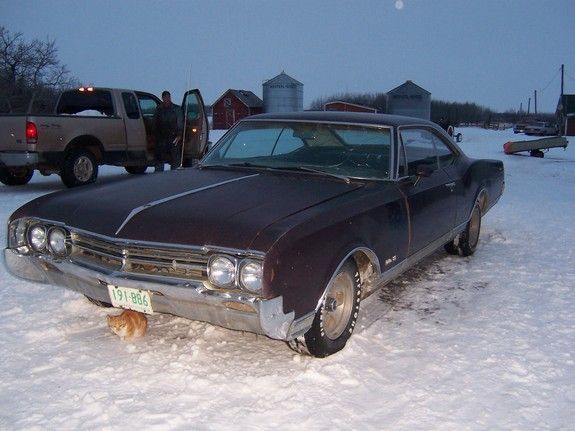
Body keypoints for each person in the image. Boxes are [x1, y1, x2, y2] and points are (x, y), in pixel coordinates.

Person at [154, 90, 183, 172]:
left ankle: (175, 176)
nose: (167, 99)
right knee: (159, 158)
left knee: (175, 158)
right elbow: (154, 123)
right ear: (162, 98)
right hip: (161, 137)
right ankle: (158, 177)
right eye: (165, 97)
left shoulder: (177, 109)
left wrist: (179, 135)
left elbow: (180, 123)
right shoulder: (158, 109)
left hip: (174, 137)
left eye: (168, 97)